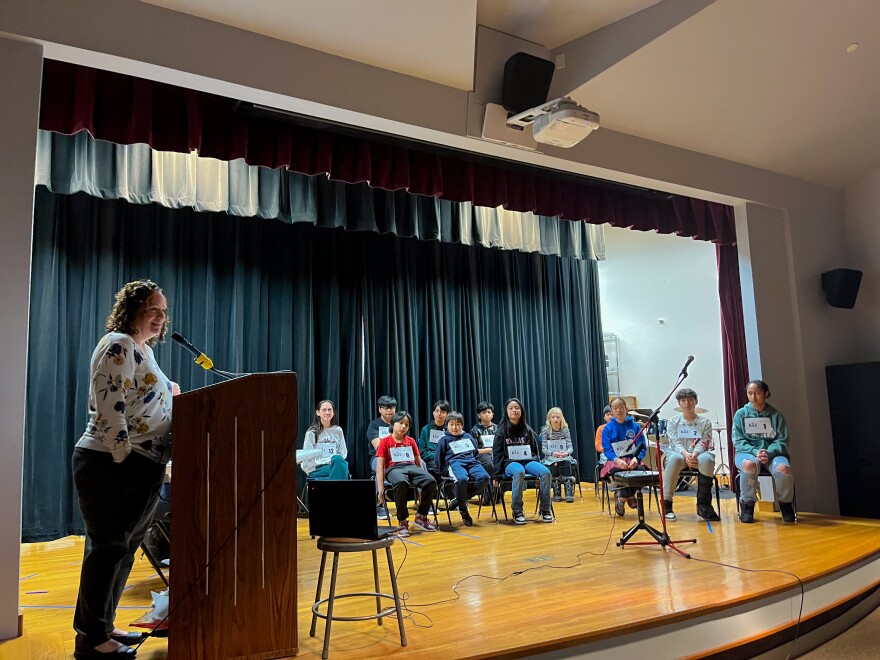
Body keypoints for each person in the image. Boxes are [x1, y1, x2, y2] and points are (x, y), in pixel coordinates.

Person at [72, 280, 177, 659]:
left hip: (141, 464)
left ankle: (102, 626)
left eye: (163, 311)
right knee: (108, 549)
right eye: (153, 309)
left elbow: (141, 398)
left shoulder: (142, 350)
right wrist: (123, 458)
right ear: (132, 309)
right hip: (112, 463)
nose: (161, 318)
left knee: (122, 549)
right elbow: (109, 404)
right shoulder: (119, 343)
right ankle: (91, 640)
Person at [733, 380, 795, 523]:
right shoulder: (741, 414)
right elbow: (738, 440)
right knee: (749, 465)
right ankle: (747, 505)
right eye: (750, 393)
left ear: (766, 394)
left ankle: (786, 504)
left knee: (783, 468)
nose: (753, 397)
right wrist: (755, 452)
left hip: (773, 454)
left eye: (758, 393)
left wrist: (768, 452)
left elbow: (782, 440)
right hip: (748, 453)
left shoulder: (776, 415)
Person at [376, 411, 439, 537]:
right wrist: (381, 489)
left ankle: (421, 516)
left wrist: (422, 482)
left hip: (411, 467)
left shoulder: (410, 441)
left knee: (431, 481)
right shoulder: (385, 441)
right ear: (393, 424)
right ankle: (402, 521)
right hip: (394, 469)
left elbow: (418, 461)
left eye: (407, 424)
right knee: (401, 482)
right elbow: (379, 466)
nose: (404, 426)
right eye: (401, 423)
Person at [492, 398, 553, 525]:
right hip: (509, 463)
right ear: (506, 411)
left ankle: (545, 509)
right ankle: (517, 511)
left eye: (517, 408)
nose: (514, 410)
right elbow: (497, 454)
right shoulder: (501, 431)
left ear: (521, 411)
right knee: (519, 471)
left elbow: (535, 450)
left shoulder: (527, 429)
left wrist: (535, 460)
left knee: (545, 472)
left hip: (528, 461)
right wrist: (496, 476)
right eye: (511, 408)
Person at [663, 389, 720, 521]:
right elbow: (675, 442)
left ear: (696, 402)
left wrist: (694, 454)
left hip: (697, 455)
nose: (687, 403)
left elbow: (705, 441)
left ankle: (704, 504)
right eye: (683, 400)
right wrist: (686, 454)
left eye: (690, 400)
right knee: (675, 459)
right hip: (678, 454)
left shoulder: (705, 422)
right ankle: (667, 504)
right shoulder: (673, 422)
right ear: (679, 403)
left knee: (708, 459)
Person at [435, 412, 490, 526]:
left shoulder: (468, 436)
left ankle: (460, 498)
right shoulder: (444, 440)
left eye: (458, 424)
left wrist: (474, 463)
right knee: (462, 480)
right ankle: (463, 510)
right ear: (447, 425)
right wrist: (445, 470)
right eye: (451, 424)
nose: (455, 427)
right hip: (455, 464)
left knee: (485, 478)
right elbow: (438, 459)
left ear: (462, 425)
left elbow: (475, 452)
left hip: (472, 462)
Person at [601, 397, 648, 517]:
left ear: (626, 409)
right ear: (611, 411)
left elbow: (641, 446)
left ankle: (622, 497)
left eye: (621, 407)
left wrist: (636, 459)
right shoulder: (607, 428)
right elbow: (607, 450)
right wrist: (617, 460)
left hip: (632, 459)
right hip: (615, 460)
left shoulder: (635, 426)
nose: (618, 410)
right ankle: (631, 495)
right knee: (619, 472)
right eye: (615, 408)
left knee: (641, 472)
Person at [301, 400, 349, 480]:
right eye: (324, 410)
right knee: (341, 470)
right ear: (318, 412)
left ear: (333, 413)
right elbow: (306, 458)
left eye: (330, 410)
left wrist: (335, 463)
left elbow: (343, 453)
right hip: (318, 468)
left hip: (335, 464)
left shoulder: (338, 430)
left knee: (338, 460)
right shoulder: (311, 433)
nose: (327, 412)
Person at [366, 395, 397, 516]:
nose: (389, 410)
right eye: (386, 407)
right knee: (379, 467)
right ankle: (380, 505)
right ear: (380, 409)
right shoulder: (374, 425)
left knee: (421, 464)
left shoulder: (399, 423)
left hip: (398, 457)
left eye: (392, 407)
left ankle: (423, 502)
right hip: (378, 457)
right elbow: (378, 447)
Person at [539, 407, 578, 503]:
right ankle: (557, 490)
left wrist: (566, 453)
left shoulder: (565, 430)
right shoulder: (545, 431)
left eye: (558, 417)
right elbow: (544, 449)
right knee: (555, 463)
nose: (555, 419)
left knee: (566, 462)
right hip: (551, 456)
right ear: (549, 419)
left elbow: (570, 448)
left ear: (561, 418)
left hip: (564, 455)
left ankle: (568, 490)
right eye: (553, 417)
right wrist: (553, 453)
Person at [469, 401, 497, 504]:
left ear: (492, 414)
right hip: (482, 455)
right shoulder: (475, 430)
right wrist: (490, 450)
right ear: (479, 415)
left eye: (489, 412)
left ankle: (497, 493)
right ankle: (488, 494)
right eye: (484, 412)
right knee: (490, 464)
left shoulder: (498, 428)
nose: (487, 414)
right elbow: (474, 450)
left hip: (496, 454)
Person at [417, 399, 451, 468]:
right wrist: (437, 455)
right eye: (437, 411)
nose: (439, 414)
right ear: (433, 413)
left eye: (443, 412)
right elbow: (422, 452)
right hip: (432, 459)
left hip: (448, 458)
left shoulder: (450, 429)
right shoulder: (426, 429)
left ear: (447, 414)